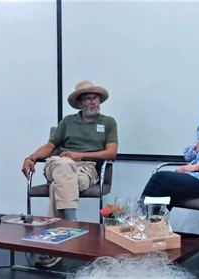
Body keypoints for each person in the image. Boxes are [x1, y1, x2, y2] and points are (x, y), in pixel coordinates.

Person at [21, 80, 117, 268]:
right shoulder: (67, 121)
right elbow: (50, 146)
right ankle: (72, 226)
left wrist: (79, 155)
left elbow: (111, 153)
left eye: (95, 98)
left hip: (86, 168)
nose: (93, 102)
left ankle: (56, 247)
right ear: (80, 103)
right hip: (58, 164)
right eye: (88, 99)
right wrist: (31, 157)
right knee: (64, 166)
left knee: (60, 185)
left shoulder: (108, 122)